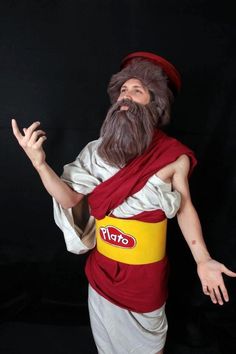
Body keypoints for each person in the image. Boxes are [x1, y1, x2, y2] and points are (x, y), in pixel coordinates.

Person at [11, 51, 236, 354]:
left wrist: (203, 260)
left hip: (143, 279)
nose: (125, 96)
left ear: (155, 104)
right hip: (101, 273)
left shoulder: (172, 156)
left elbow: (184, 208)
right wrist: (40, 164)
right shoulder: (95, 151)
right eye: (122, 90)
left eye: (137, 90)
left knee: (148, 346)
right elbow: (70, 199)